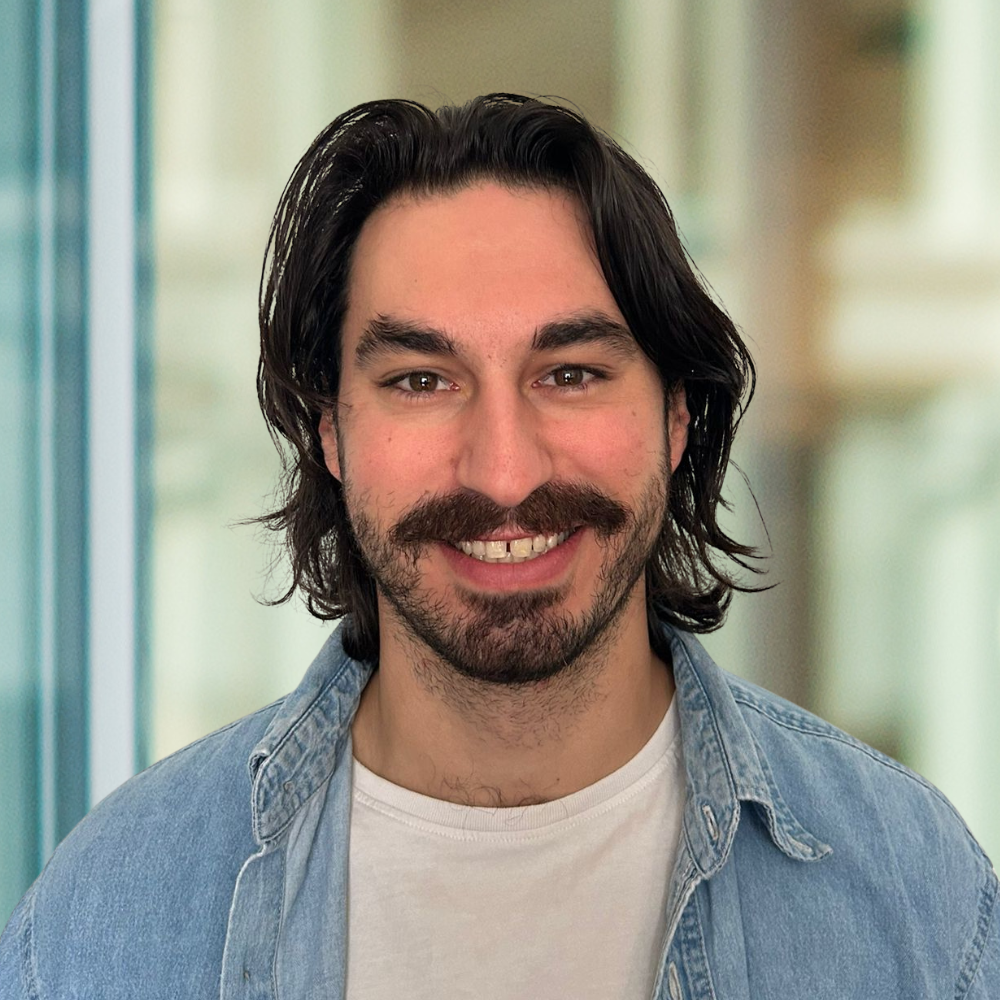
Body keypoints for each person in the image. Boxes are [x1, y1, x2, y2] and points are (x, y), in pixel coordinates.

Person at [1, 94, 997, 1000]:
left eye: (568, 373)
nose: (504, 472)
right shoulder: (110, 916)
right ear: (331, 433)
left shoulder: (913, 895)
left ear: (676, 417)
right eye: (420, 381)